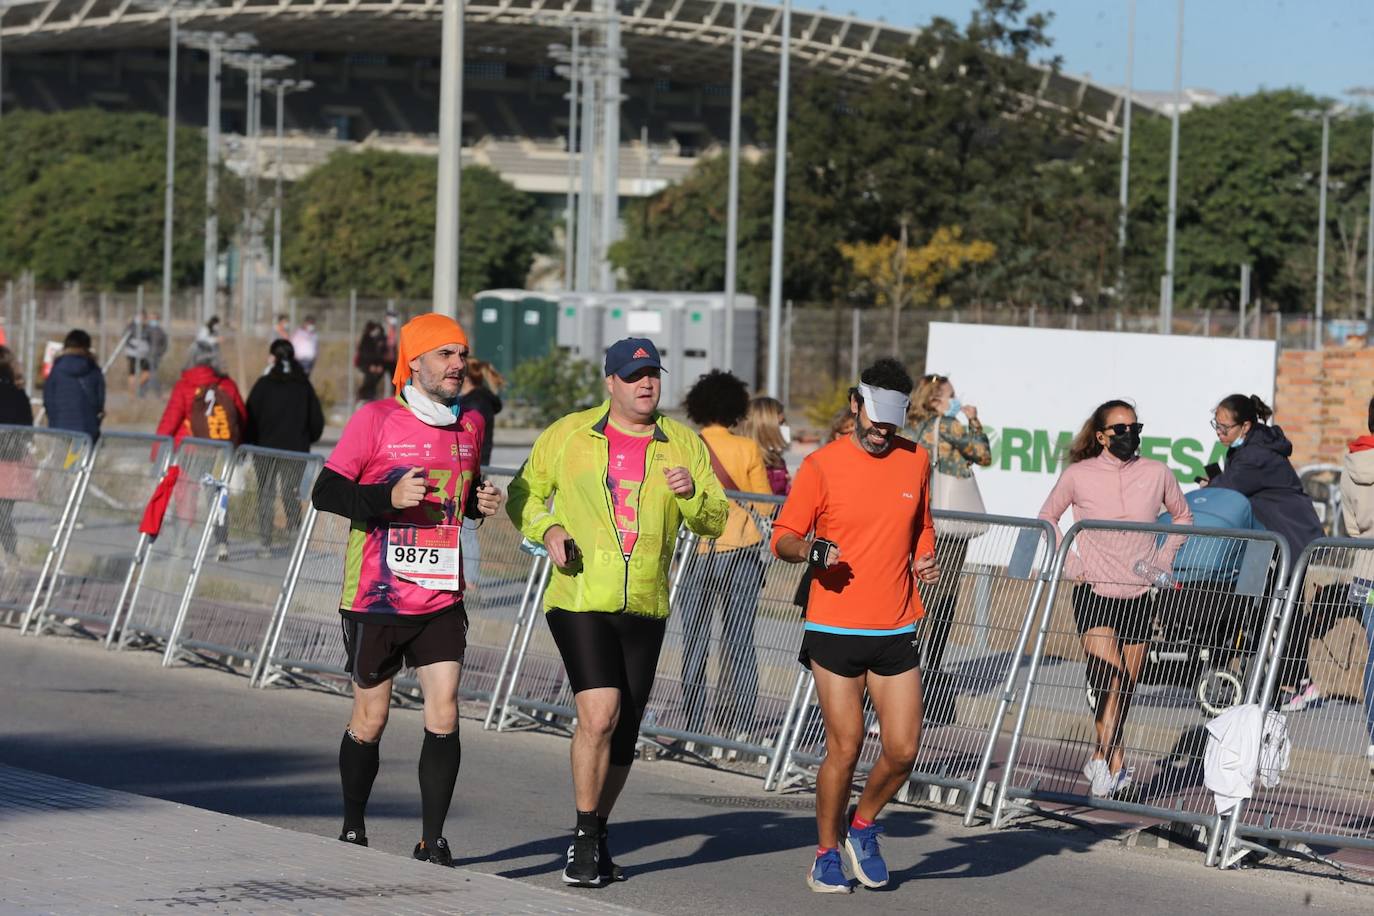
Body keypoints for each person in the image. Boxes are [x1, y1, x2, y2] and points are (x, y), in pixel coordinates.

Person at [506, 337, 727, 887]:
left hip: (646, 603)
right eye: (633, 376)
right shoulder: (570, 434)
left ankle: (599, 830)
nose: (645, 383)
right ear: (610, 383)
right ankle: (582, 837)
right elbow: (523, 495)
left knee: (624, 729)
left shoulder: (683, 444)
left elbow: (716, 519)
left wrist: (693, 491)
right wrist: (548, 529)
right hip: (580, 597)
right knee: (599, 714)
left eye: (652, 373)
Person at [310, 313, 503, 865]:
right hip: (377, 594)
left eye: (462, 355)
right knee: (371, 718)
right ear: (414, 362)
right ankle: (353, 826)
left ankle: (432, 840)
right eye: (445, 355)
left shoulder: (469, 425)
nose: (457, 365)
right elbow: (326, 491)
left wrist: (479, 505)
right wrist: (385, 500)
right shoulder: (376, 419)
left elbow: (458, 497)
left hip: (442, 594)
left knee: (445, 709)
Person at [771, 358, 940, 894]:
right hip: (835, 628)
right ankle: (825, 854)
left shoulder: (917, 461)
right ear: (855, 404)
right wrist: (810, 550)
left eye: (891, 424)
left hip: (895, 626)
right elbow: (783, 536)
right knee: (844, 747)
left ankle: (862, 826)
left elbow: (922, 526)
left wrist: (926, 557)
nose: (880, 432)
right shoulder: (821, 465)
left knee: (904, 749)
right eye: (872, 420)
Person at [1038, 399, 1192, 800]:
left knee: (1126, 685)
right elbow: (1047, 518)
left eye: (1134, 427)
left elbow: (1183, 517)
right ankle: (1112, 761)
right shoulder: (1078, 474)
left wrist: (1163, 559)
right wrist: (1071, 562)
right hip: (1095, 591)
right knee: (1110, 677)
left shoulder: (1157, 473)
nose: (1129, 435)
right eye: (1119, 429)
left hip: (1140, 591)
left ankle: (1105, 757)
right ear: (1102, 436)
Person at [1206, 393, 1326, 711]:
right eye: (1215, 425)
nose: (1219, 432)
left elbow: (1228, 490)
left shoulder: (1255, 455)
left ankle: (1297, 682)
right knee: (1263, 603)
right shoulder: (1247, 449)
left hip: (1290, 537)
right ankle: (1268, 675)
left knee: (1288, 606)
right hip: (1268, 537)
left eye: (1224, 427)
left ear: (1245, 426)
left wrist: (1213, 485)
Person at [679, 369, 772, 738]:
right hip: (742, 549)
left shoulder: (688, 446)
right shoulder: (747, 449)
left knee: (695, 640)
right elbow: (765, 506)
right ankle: (744, 724)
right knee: (740, 640)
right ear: (736, 408)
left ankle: (694, 721)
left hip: (696, 551)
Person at [906, 373, 992, 723]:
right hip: (948, 527)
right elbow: (983, 455)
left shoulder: (913, 431)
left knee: (917, 592)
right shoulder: (949, 426)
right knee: (943, 598)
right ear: (936, 399)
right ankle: (926, 672)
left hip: (920, 519)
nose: (956, 400)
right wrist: (972, 418)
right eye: (951, 395)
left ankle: (900, 668)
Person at [244, 340, 325, 555]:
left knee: (266, 494)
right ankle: (294, 540)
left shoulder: (263, 384)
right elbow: (316, 420)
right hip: (295, 450)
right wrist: (306, 438)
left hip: (264, 450)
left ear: (273, 358)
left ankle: (265, 543)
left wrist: (250, 440)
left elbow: (249, 416)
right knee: (291, 493)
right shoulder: (303, 385)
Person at [1338, 396, 1374, 773]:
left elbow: (1350, 526)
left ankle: (1373, 738)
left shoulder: (1352, 464)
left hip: (1364, 571)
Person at [457, 358, 504, 587]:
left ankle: (472, 578)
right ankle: (466, 574)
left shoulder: (475, 404)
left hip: (474, 466)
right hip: (473, 465)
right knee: (462, 524)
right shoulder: (473, 400)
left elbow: (473, 438)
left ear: (465, 378)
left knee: (467, 524)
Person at [156, 342, 247, 447]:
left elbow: (169, 422)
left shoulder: (183, 386)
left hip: (187, 452)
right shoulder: (228, 385)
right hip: (223, 453)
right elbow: (241, 418)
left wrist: (157, 451)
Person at [0, 347, 33, 560]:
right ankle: (11, 556)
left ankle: (12, 556)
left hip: (8, 457)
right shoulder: (18, 395)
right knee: (3, 514)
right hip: (11, 459)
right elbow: (28, 427)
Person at [43, 329, 104, 443]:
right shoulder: (93, 370)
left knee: (63, 459)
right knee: (83, 460)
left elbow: (48, 399)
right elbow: (99, 401)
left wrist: (53, 420)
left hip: (60, 429)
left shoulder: (56, 370)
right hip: (87, 429)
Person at [741, 395, 791, 496]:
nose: (785, 428)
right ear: (763, 428)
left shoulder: (777, 461)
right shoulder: (746, 462)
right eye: (780, 423)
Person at [356, 321, 388, 402]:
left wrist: (378, 365)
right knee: (369, 378)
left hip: (375, 364)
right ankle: (364, 395)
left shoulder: (379, 340)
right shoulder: (366, 338)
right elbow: (365, 354)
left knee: (375, 378)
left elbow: (380, 354)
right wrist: (371, 365)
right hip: (365, 364)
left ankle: (370, 394)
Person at [123, 313, 153, 399]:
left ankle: (136, 387)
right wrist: (133, 346)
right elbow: (125, 338)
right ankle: (131, 395)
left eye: (142, 317)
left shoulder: (147, 327)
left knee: (147, 373)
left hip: (144, 355)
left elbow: (150, 339)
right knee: (132, 373)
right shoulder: (131, 326)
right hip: (133, 353)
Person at [144, 315, 169, 397]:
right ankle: (145, 392)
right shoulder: (146, 329)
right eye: (151, 319)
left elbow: (165, 344)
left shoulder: (160, 331)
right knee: (147, 373)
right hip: (145, 355)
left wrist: (160, 352)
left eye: (154, 319)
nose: (152, 320)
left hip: (155, 356)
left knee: (152, 373)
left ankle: (155, 392)